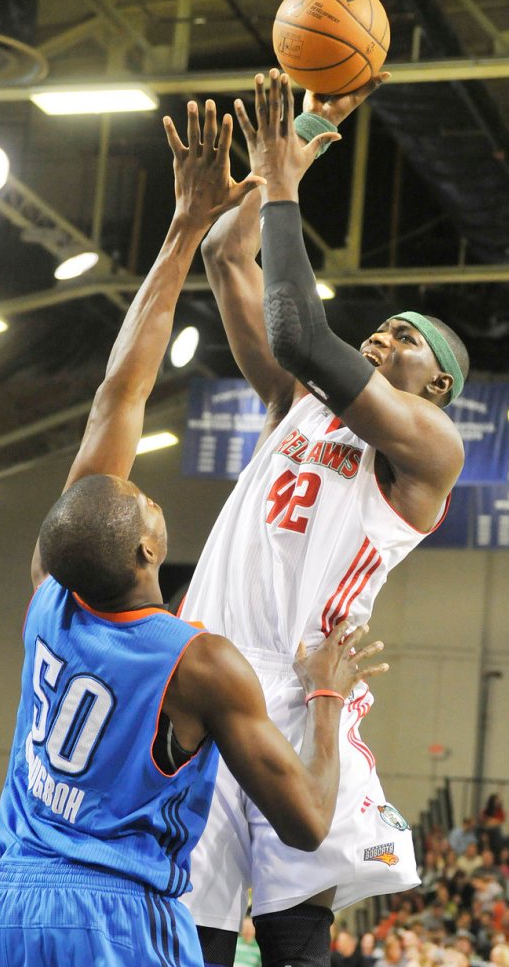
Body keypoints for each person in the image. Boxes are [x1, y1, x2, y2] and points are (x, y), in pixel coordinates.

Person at [0, 99, 389, 967]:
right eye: (145, 507)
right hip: (117, 915)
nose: (145, 497)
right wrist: (326, 694)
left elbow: (116, 398)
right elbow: (309, 818)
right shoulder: (197, 660)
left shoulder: (51, 597)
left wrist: (183, 226)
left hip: (11, 901)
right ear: (146, 552)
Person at [179, 69, 469, 967]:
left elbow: (305, 330)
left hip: (302, 688)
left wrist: (287, 181)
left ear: (439, 385)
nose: (383, 338)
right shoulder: (297, 401)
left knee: (296, 927)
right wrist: (297, 133)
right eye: (380, 329)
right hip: (200, 661)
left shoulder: (427, 447)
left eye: (405, 339)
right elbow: (229, 258)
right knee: (193, 928)